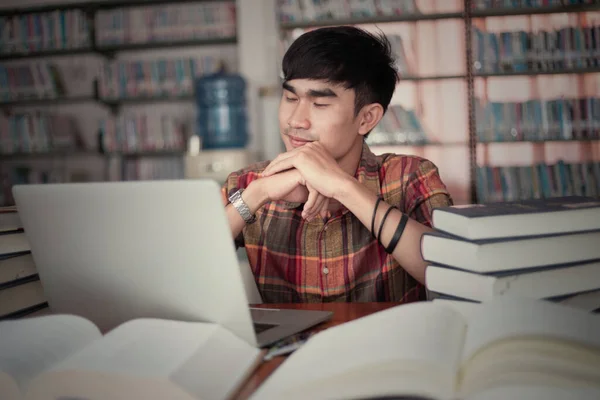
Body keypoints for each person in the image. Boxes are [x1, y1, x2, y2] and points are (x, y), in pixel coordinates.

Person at [221, 26, 452, 303]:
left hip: (389, 345)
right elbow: (186, 269)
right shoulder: (248, 183)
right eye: (291, 98)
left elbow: (450, 273)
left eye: (319, 104)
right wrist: (258, 194)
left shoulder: (410, 177)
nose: (295, 120)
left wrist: (343, 187)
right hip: (292, 348)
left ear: (366, 118)